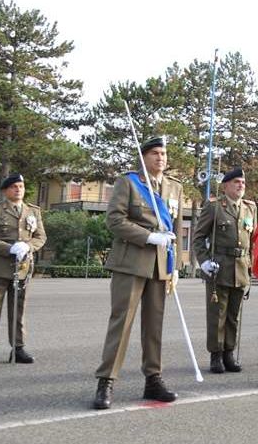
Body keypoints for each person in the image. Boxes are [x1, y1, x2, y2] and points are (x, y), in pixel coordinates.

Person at [93, 136, 183, 410]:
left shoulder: (174, 187)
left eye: (164, 153)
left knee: (154, 325)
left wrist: (175, 266)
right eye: (155, 153)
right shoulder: (129, 183)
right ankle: (106, 380)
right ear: (143, 157)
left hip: (160, 265)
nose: (160, 158)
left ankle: (153, 378)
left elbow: (177, 229)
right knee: (121, 323)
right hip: (131, 262)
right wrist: (148, 237)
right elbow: (114, 220)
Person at [0, 173, 46, 368]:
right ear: (6, 190)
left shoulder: (33, 211)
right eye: (14, 187)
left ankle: (18, 347)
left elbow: (40, 237)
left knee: (19, 309)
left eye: (21, 186)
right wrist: (10, 249)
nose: (18, 190)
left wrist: (28, 246)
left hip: (23, 267)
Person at [193, 167, 256, 374]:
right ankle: (216, 354)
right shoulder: (214, 207)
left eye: (243, 182)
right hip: (219, 267)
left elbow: (252, 242)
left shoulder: (249, 208)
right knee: (217, 315)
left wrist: (251, 267)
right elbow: (198, 237)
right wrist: (203, 262)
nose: (241, 185)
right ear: (226, 186)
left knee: (233, 315)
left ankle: (229, 352)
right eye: (236, 182)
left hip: (241, 267)